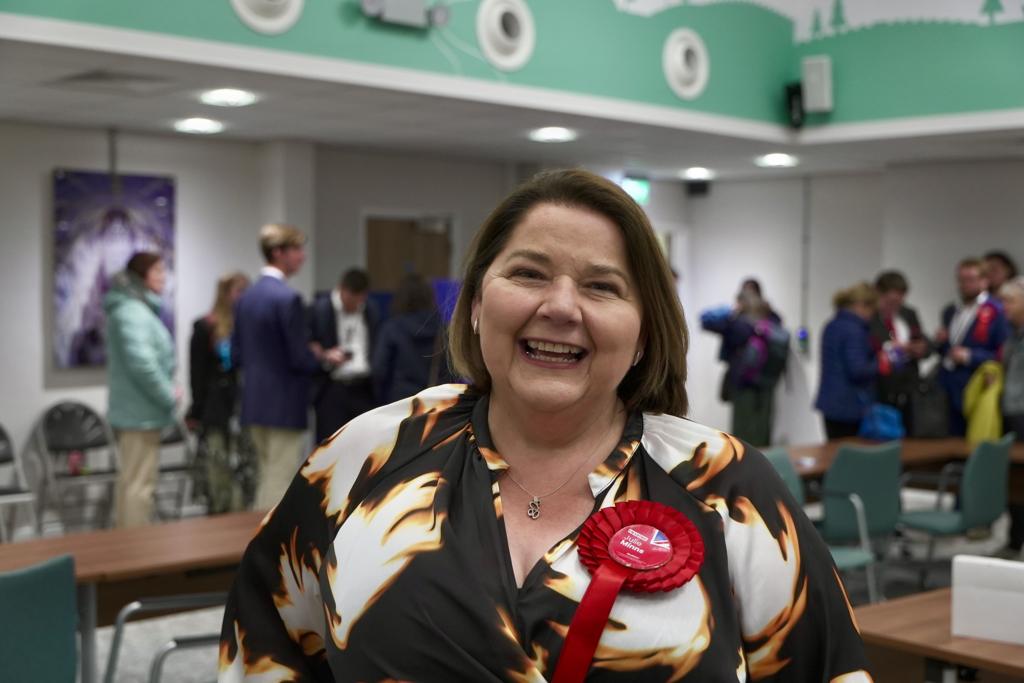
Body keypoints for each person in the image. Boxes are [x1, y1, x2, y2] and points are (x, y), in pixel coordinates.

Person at [219, 170, 870, 682]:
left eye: (602, 286)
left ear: (644, 332)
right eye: (528, 273)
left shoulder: (723, 485)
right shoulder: (368, 454)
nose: (559, 307)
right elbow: (266, 639)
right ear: (477, 304)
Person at [233, 224, 341, 511]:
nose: (302, 257)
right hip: (283, 402)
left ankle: (253, 545)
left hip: (254, 400)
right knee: (279, 480)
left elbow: (237, 352)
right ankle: (268, 552)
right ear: (278, 252)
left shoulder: (246, 297)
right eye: (297, 250)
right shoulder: (287, 298)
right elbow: (298, 358)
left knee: (266, 476)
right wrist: (322, 358)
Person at [104, 251, 176, 528]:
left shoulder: (134, 309)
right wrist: (169, 395)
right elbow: (143, 365)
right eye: (157, 271)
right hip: (139, 415)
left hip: (140, 412)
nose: (163, 277)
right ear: (140, 277)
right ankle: (136, 556)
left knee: (133, 484)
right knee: (138, 488)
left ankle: (128, 551)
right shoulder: (131, 313)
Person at [186, 272, 250, 514]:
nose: (243, 297)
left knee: (244, 467)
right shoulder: (205, 327)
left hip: (243, 405)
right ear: (225, 294)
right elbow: (197, 373)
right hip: (215, 407)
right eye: (238, 291)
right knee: (218, 466)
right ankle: (220, 510)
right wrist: (196, 409)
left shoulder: (246, 328)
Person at [700, 279, 787, 446]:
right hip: (766, 382)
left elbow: (705, 319)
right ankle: (762, 465)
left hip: (743, 382)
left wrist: (730, 310)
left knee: (742, 431)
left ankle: (745, 467)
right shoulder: (770, 319)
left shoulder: (737, 323)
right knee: (762, 428)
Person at [936, 258, 1009, 436]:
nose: (964, 285)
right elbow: (947, 350)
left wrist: (970, 356)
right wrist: (941, 343)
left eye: (971, 279)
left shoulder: (997, 311)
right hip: (948, 387)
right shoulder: (951, 311)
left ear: (985, 281)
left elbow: (1003, 354)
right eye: (961, 280)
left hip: (977, 384)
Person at [309, 268, 380, 444]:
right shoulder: (319, 309)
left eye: (359, 300)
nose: (355, 305)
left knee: (364, 445)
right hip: (332, 389)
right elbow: (307, 345)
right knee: (330, 446)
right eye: (350, 300)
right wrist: (325, 355)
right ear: (341, 289)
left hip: (363, 389)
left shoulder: (371, 310)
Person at [371, 272, 452, 404]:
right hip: (434, 402)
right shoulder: (443, 329)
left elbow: (379, 369)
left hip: (400, 402)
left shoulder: (392, 328)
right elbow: (452, 369)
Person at [815, 282, 880, 439]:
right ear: (861, 305)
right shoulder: (854, 330)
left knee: (834, 454)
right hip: (849, 406)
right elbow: (858, 370)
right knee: (851, 457)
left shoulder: (831, 325)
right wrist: (881, 363)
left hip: (831, 404)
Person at [868, 270, 930, 434]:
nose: (894, 306)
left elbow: (924, 342)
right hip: (882, 389)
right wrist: (890, 348)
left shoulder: (909, 314)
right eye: (890, 301)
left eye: (899, 300)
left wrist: (921, 348)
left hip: (909, 388)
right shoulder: (870, 317)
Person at [998, 276, 1024, 557]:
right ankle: (1015, 539)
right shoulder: (1012, 334)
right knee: (1015, 479)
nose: (1003, 306)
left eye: (1009, 300)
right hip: (1011, 410)